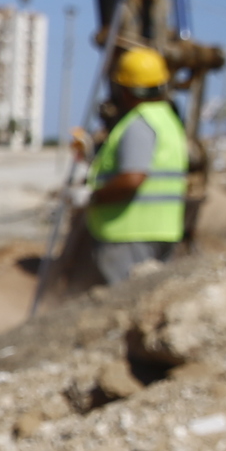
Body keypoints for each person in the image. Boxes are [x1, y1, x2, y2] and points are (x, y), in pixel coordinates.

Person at [77, 45, 188, 286]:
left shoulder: (139, 123)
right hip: (163, 230)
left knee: (122, 305)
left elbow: (133, 178)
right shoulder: (168, 120)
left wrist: (91, 196)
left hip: (129, 234)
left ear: (125, 88)